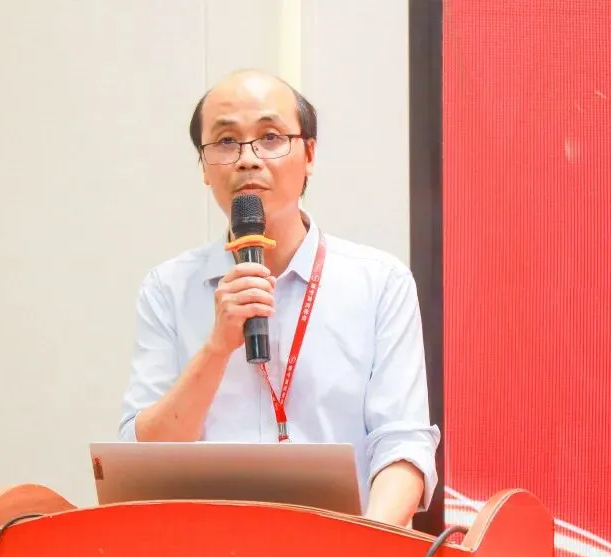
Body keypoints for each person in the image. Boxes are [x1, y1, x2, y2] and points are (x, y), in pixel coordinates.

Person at [118, 69, 439, 528]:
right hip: (207, 554)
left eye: (270, 137)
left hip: (344, 551)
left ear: (309, 154)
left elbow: (403, 444)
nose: (248, 160)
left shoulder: (379, 283)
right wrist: (216, 349)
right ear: (204, 167)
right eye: (226, 142)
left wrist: (367, 546)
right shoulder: (168, 288)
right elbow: (141, 460)